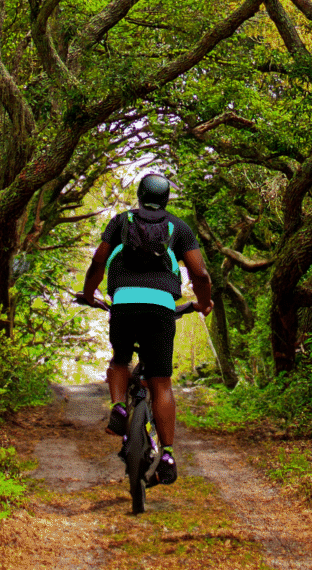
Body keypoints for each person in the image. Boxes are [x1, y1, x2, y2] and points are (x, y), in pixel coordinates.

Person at [78, 171, 214, 485]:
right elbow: (200, 274)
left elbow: (99, 261)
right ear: (166, 199)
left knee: (120, 360)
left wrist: (89, 294)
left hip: (124, 300)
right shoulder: (178, 227)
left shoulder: (120, 221)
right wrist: (204, 302)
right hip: (161, 307)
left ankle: (118, 407)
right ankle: (167, 453)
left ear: (139, 196)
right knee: (161, 382)